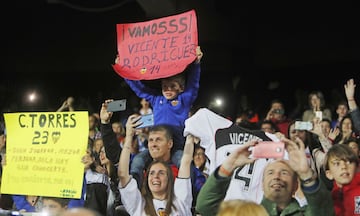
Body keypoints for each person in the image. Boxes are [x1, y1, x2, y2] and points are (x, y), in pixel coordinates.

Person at [116, 46, 203, 187]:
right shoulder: (156, 99)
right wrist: (124, 70)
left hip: (176, 146)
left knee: (184, 164)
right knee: (137, 161)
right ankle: (133, 192)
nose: (168, 89)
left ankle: (191, 195)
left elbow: (193, 84)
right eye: (165, 86)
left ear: (181, 88)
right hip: (155, 146)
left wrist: (196, 63)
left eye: (172, 86)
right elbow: (139, 88)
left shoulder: (185, 99)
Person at [196, 138, 334, 216]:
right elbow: (205, 207)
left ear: (295, 186)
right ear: (262, 184)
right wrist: (227, 167)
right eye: (270, 172)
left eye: (284, 172)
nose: (277, 176)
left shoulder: (306, 214)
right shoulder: (248, 213)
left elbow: (324, 210)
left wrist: (305, 173)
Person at [117, 114, 194, 215]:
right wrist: (129, 136)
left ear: (169, 178)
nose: (155, 176)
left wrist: (190, 134)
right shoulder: (138, 205)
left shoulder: (181, 201)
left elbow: (186, 162)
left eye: (161, 173)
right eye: (151, 173)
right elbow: (122, 174)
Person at [323, 144, 360, 216]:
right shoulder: (331, 199)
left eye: (349, 162)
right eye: (337, 163)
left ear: (357, 168)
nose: (343, 166)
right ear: (329, 174)